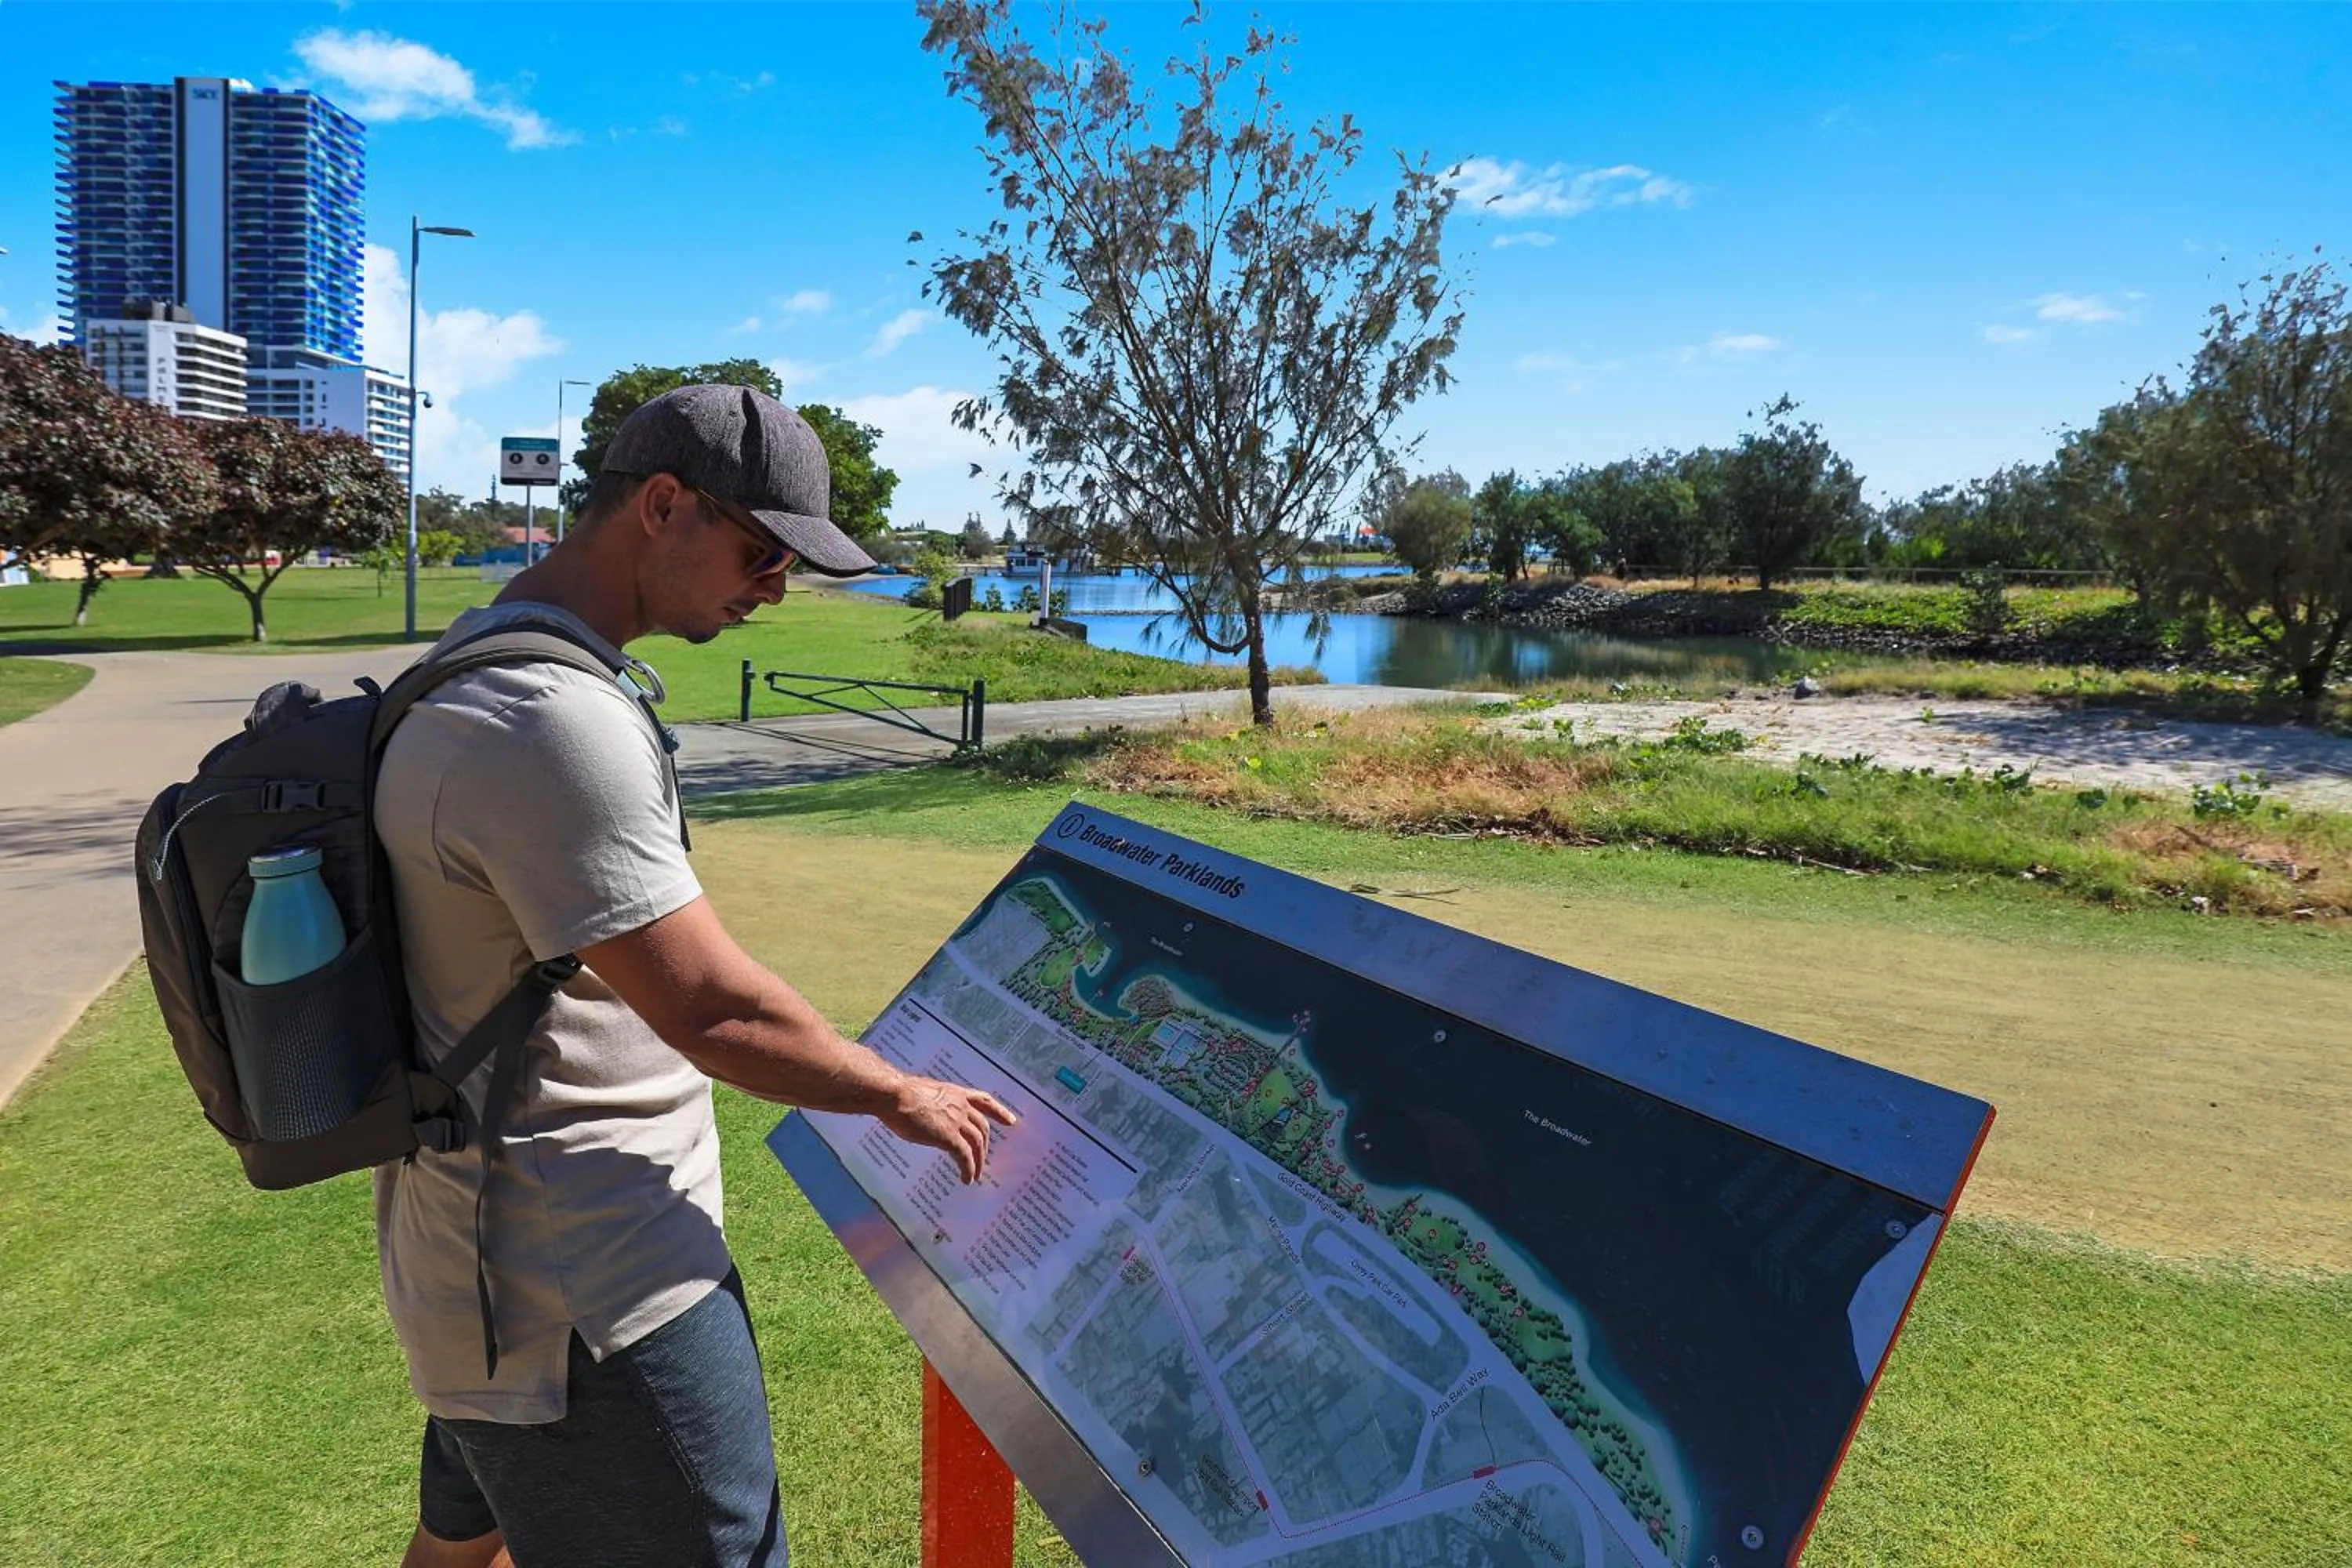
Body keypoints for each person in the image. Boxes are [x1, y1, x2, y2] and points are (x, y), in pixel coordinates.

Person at [375, 384, 1016, 1567]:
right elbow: (714, 1007)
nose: (777, 585)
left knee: (463, 1552)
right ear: (662, 505)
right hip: (586, 1300)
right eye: (763, 549)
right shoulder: (548, 719)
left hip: (484, 1265)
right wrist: (899, 1095)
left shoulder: (481, 657)